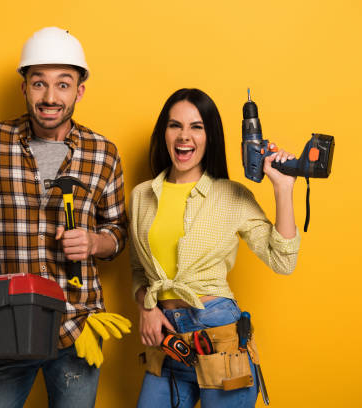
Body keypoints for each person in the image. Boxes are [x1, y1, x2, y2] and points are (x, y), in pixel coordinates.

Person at [0, 27, 129, 408]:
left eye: (63, 84)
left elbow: (117, 231)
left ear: (79, 91)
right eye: (39, 83)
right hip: (2, 324)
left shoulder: (103, 153)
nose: (50, 97)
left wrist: (94, 241)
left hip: (77, 327)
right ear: (24, 87)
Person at [129, 88, 301, 408]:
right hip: (166, 342)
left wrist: (283, 188)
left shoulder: (231, 195)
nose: (184, 136)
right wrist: (147, 307)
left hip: (218, 335)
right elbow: (140, 270)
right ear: (163, 133)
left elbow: (283, 261)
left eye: (197, 127)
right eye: (174, 125)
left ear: (210, 136)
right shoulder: (141, 195)